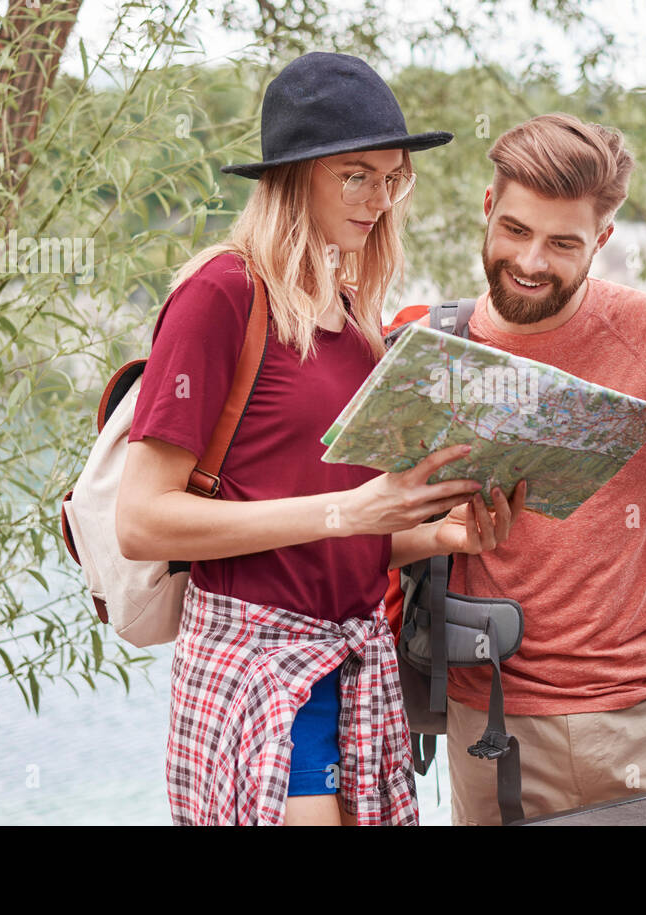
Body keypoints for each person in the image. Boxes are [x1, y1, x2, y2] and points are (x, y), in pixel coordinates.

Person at [114, 52, 526, 826]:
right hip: (261, 668)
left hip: (354, 665)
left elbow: (344, 535)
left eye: (393, 176)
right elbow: (141, 522)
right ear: (295, 175)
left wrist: (439, 529)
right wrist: (346, 514)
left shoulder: (356, 321)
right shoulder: (221, 294)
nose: (379, 198)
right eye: (355, 174)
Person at [419, 112, 646, 825]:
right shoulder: (431, 346)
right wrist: (442, 531)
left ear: (602, 241)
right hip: (486, 720)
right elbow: (366, 530)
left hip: (641, 720)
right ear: (488, 208)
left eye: (563, 243)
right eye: (516, 230)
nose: (531, 261)